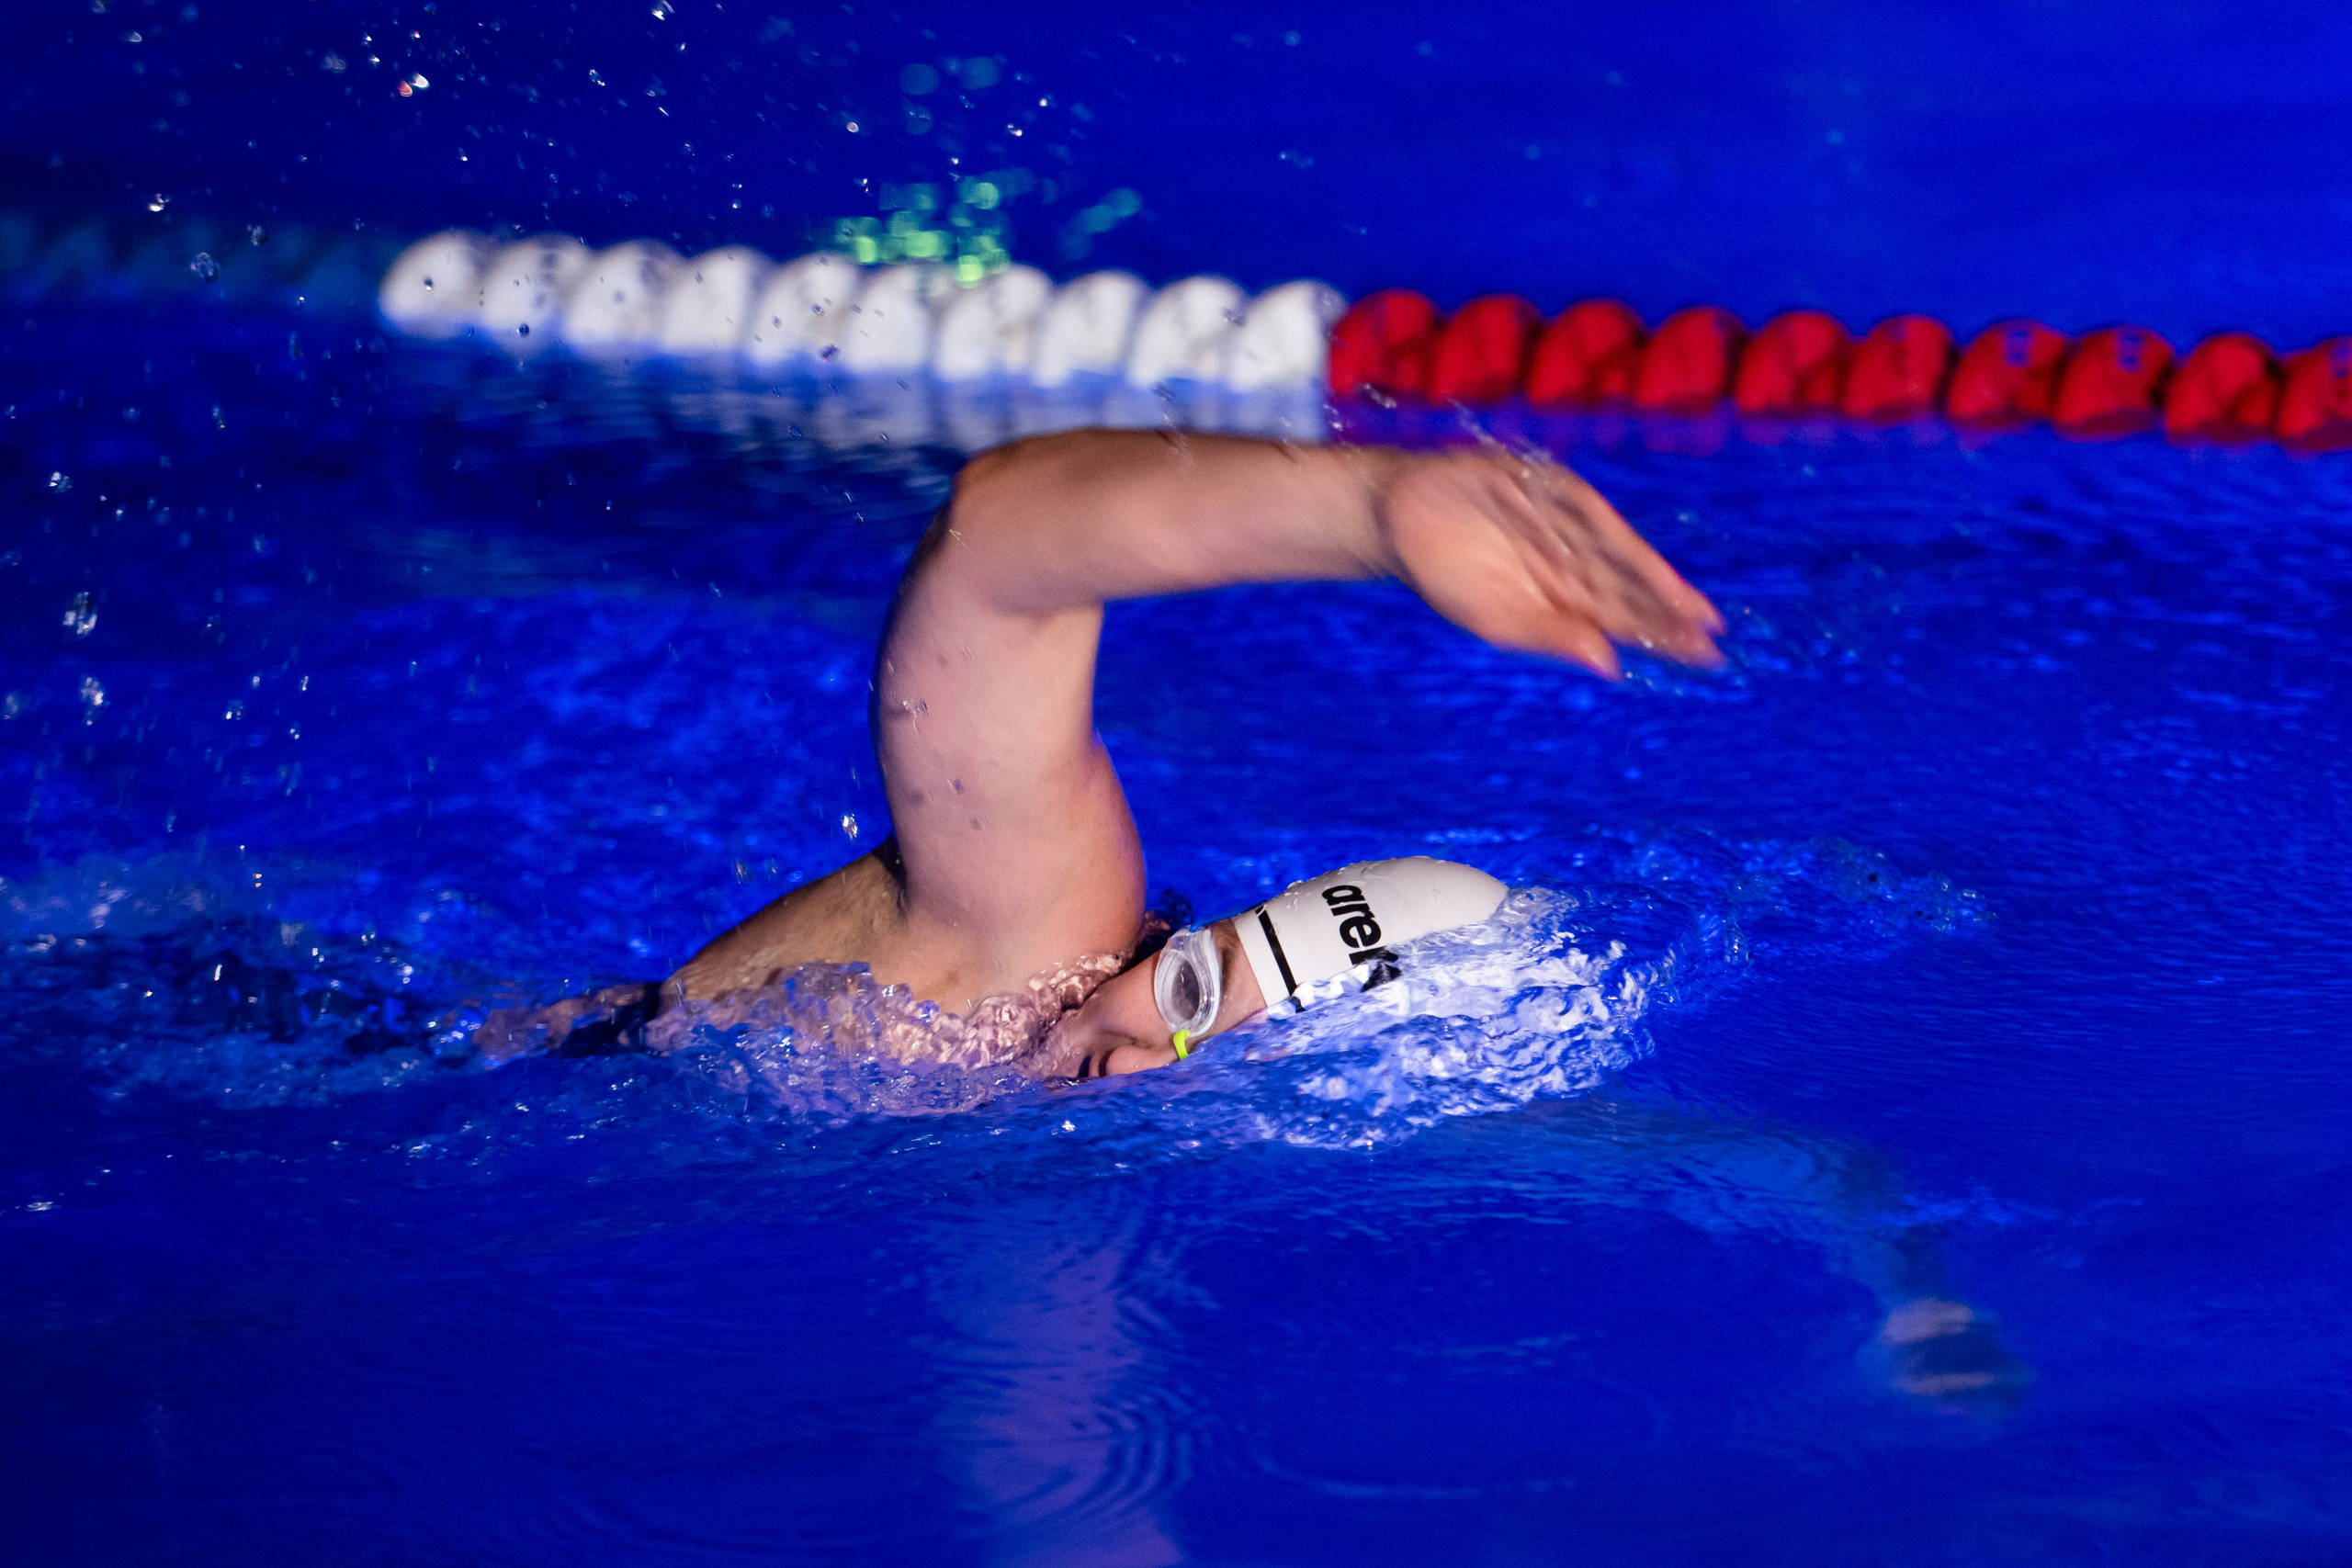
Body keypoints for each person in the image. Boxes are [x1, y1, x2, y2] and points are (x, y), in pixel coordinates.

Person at [478, 429, 1724, 1073]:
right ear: (1185, 940)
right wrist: (1363, 510)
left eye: (1235, 1078)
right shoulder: (1035, 946)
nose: (1128, 1068)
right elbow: (997, 547)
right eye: (1187, 996)